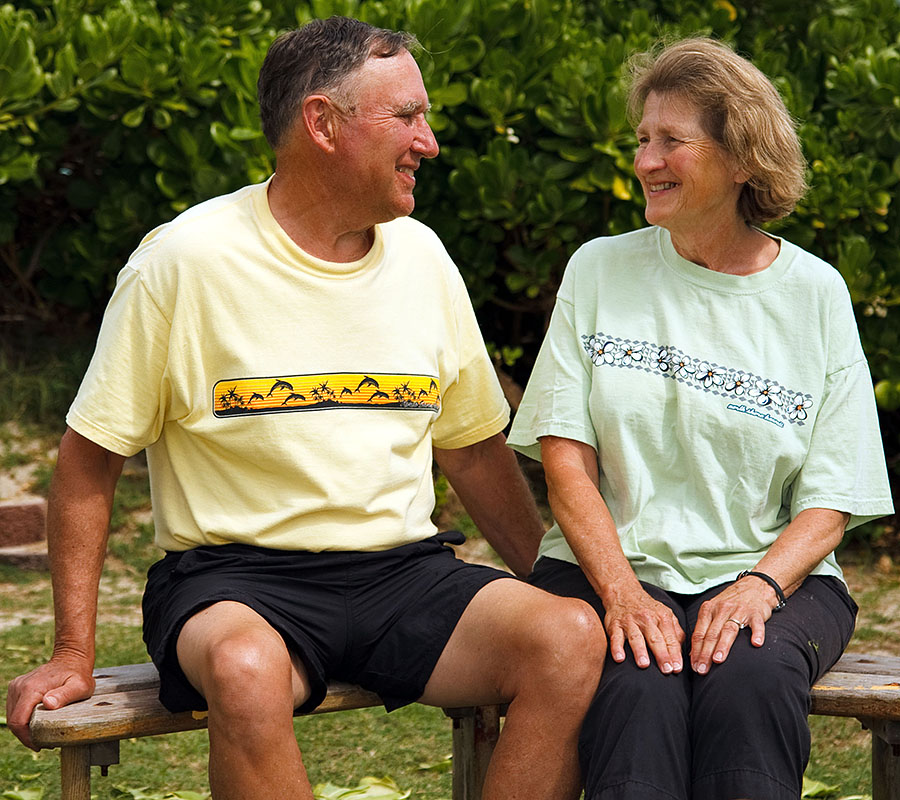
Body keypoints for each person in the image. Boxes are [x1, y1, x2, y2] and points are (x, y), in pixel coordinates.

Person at [6, 17, 605, 800]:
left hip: (402, 574)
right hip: (234, 582)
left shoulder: (423, 258)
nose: (427, 142)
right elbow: (88, 462)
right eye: (407, 117)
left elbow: (471, 449)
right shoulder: (184, 263)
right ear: (322, 123)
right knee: (245, 669)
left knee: (568, 638)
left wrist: (545, 581)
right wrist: (73, 652)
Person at [508, 36, 894, 800]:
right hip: (606, 568)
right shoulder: (599, 268)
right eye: (642, 139)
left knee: (749, 675)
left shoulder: (815, 294)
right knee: (635, 680)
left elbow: (831, 500)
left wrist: (758, 585)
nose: (647, 159)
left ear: (743, 157)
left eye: (671, 141)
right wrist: (620, 589)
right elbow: (565, 460)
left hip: (773, 572)